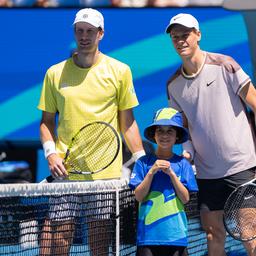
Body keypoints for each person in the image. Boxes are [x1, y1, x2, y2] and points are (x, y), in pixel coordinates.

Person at [37, 8, 145, 255]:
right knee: (59, 239)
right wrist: (51, 154)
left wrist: (141, 159)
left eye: (90, 31)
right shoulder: (54, 73)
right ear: (74, 33)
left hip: (104, 173)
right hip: (65, 170)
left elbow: (127, 122)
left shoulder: (120, 71)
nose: (84, 36)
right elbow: (46, 122)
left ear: (101, 34)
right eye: (79, 31)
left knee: (99, 242)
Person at [165, 13, 256, 256]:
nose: (181, 40)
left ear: (198, 35)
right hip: (206, 174)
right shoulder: (173, 85)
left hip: (242, 167)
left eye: (185, 35)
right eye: (176, 37)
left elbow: (255, 103)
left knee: (250, 233)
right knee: (213, 234)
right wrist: (187, 153)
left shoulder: (225, 65)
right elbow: (184, 130)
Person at [129, 108, 198, 256]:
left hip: (176, 236)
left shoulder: (183, 164)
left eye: (169, 131)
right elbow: (138, 196)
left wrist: (172, 174)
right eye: (160, 130)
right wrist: (151, 172)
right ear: (154, 135)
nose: (164, 135)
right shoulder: (143, 163)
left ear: (177, 136)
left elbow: (185, 199)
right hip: (147, 238)